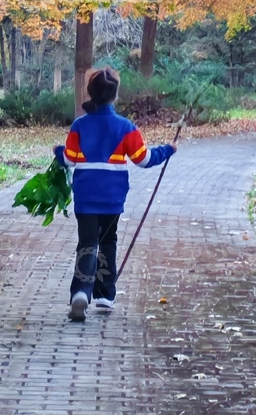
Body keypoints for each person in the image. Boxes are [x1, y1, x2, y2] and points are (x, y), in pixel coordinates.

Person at [54, 67, 177, 322]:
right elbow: (143, 159)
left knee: (87, 244)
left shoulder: (80, 125)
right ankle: (105, 295)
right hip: (112, 198)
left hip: (86, 197)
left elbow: (69, 159)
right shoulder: (125, 127)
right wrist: (168, 150)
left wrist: (57, 152)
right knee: (108, 242)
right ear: (114, 95)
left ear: (91, 93)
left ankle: (80, 292)